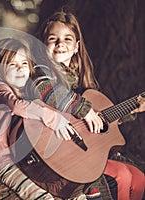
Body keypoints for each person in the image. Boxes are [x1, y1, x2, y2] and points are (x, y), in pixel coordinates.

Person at [29, 10, 145, 199]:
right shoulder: (40, 71)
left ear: (77, 47)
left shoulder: (79, 82)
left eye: (68, 39)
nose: (60, 44)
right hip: (56, 151)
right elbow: (47, 91)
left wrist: (132, 107)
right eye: (53, 38)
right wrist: (85, 110)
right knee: (122, 176)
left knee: (139, 178)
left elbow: (95, 122)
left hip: (79, 149)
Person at [0, 38, 80, 199]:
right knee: (43, 198)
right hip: (4, 163)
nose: (20, 69)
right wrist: (53, 118)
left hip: (24, 160)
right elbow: (17, 106)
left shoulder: (24, 91)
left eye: (24, 63)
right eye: (12, 65)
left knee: (71, 191)